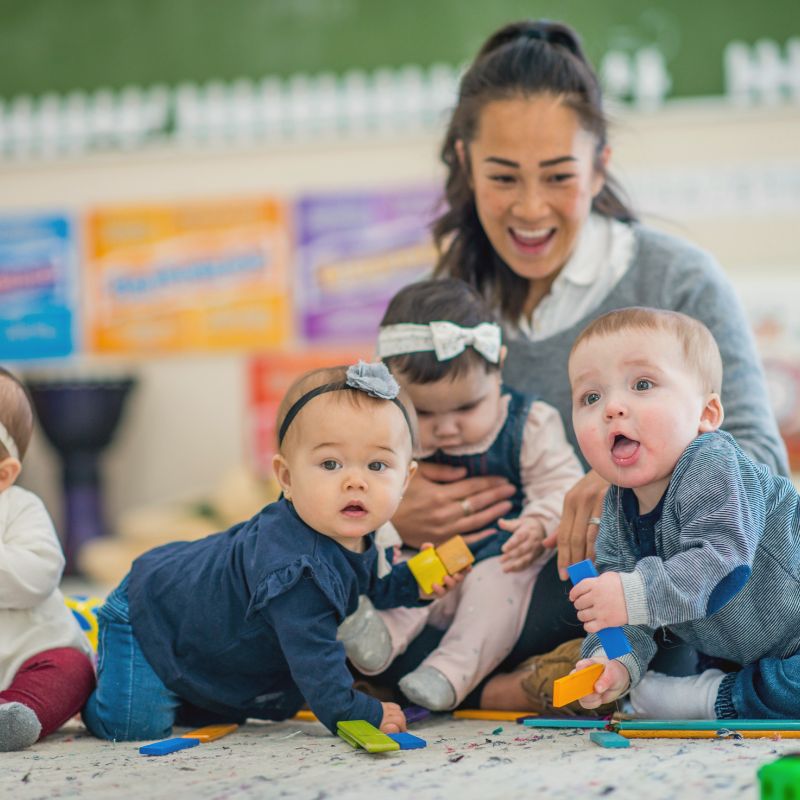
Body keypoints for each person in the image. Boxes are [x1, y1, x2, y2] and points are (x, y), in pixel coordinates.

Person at [381, 18, 789, 710]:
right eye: (503, 177)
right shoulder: (451, 305)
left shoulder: (676, 281)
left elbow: (761, 467)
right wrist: (396, 499)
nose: (531, 208)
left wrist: (625, 480)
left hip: (613, 582)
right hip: (478, 575)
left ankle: (503, 685)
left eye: (559, 177)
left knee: (606, 603)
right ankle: (501, 681)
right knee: (323, 584)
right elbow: (373, 437)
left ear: (599, 166)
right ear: (465, 162)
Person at [82, 362, 469, 741]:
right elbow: (315, 663)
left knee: (207, 708)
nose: (356, 481)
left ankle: (176, 685)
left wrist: (416, 583)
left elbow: (371, 586)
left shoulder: (362, 533)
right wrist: (357, 711)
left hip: (199, 633)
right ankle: (85, 673)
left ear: (406, 479)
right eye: (330, 464)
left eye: (377, 464)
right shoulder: (296, 570)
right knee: (134, 725)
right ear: (286, 477)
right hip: (149, 612)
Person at [339, 279, 583, 710]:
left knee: (494, 592)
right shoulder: (383, 432)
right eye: (425, 413)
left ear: (498, 369)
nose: (447, 428)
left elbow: (562, 485)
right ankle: (378, 643)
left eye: (467, 408)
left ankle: (450, 673)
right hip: (425, 558)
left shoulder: (527, 423)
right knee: (402, 577)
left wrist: (539, 522)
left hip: (502, 558)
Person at [565, 307, 800, 719]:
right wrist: (612, 662)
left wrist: (631, 593)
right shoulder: (619, 505)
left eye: (642, 384)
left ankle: (707, 699)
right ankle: (719, 691)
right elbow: (628, 611)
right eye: (591, 396)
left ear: (706, 414)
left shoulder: (712, 461)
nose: (612, 408)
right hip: (745, 647)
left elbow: (722, 564)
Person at [0, 368, 95, 751]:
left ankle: (15, 714)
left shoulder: (19, 508)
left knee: (72, 669)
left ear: (4, 474)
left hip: (31, 653)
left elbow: (39, 573)